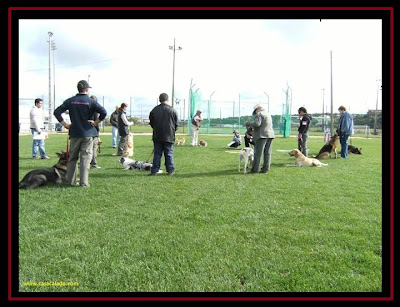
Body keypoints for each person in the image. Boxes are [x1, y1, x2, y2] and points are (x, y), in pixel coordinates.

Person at [54, 80, 107, 187]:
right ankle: (84, 182)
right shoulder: (91, 101)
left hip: (75, 133)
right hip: (88, 133)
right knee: (85, 159)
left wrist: (65, 124)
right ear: (87, 89)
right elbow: (104, 112)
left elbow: (57, 112)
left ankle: (71, 181)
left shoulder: (71, 100)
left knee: (72, 158)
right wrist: (96, 122)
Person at [149, 93, 178, 175]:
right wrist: (172, 131)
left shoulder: (154, 110)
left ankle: (154, 170)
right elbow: (176, 124)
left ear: (159, 100)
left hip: (157, 135)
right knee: (169, 154)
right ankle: (170, 170)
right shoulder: (173, 110)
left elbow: (151, 123)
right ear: (167, 99)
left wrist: (156, 129)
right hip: (169, 135)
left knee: (157, 154)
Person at [245, 104, 275, 174]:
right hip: (270, 135)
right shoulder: (268, 114)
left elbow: (257, 124)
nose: (255, 113)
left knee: (258, 153)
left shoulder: (259, 114)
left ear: (258, 109)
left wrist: (248, 124)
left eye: (255, 111)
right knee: (267, 153)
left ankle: (255, 169)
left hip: (261, 135)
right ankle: (265, 169)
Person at [89, 95, 101, 169]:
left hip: (85, 131)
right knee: (94, 148)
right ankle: (94, 163)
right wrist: (98, 130)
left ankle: (88, 162)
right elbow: (96, 120)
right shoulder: (95, 110)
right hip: (93, 131)